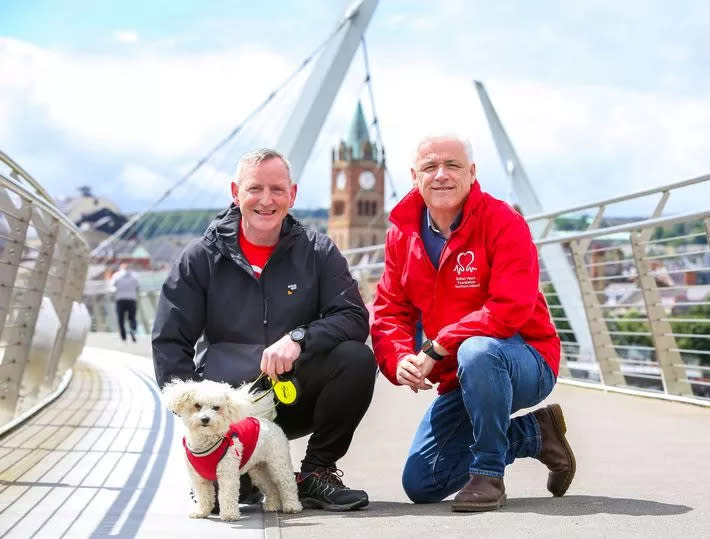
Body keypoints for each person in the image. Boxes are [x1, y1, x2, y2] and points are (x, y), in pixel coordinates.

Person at [152, 148, 376, 512]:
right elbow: (169, 340)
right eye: (255, 188)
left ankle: (315, 474)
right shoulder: (200, 257)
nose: (266, 201)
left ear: (293, 194)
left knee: (356, 358)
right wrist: (196, 417)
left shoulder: (317, 251)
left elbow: (352, 316)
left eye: (277, 189)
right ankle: (229, 472)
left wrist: (299, 339)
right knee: (236, 493)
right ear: (235, 192)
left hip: (294, 394)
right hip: (229, 413)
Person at [371, 135, 576, 512]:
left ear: (472, 173)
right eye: (430, 167)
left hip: (525, 359)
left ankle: (488, 474)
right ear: (415, 176)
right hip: (460, 375)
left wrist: (438, 345)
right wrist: (398, 358)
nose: (441, 176)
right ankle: (535, 433)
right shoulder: (402, 233)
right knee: (423, 481)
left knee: (477, 349)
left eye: (452, 165)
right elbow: (389, 310)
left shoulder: (503, 222)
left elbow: (510, 307)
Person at [111, 263, 139, 342]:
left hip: (120, 299)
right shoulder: (134, 276)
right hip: (131, 299)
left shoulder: (116, 275)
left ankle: (123, 336)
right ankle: (133, 331)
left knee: (121, 319)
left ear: (121, 268)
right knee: (132, 318)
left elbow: (112, 287)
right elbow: (138, 287)